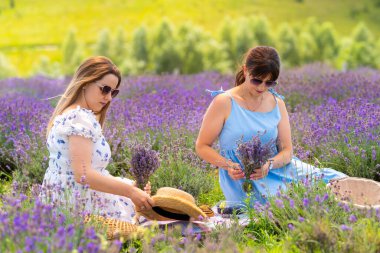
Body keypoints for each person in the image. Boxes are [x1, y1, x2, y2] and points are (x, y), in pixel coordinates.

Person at [195, 46, 347, 204]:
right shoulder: (224, 102)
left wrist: (269, 164)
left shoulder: (277, 103)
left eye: (269, 83)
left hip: (279, 170)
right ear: (245, 70)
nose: (262, 87)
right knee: (277, 208)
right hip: (243, 180)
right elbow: (202, 146)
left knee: (339, 181)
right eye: (257, 80)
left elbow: (287, 151)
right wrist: (227, 165)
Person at [41, 56, 154, 222]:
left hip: (66, 199)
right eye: (105, 89)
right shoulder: (79, 118)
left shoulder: (74, 114)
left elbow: (80, 173)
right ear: (85, 83)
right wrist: (130, 192)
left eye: (113, 92)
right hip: (78, 205)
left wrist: (130, 187)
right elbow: (83, 175)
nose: (108, 97)